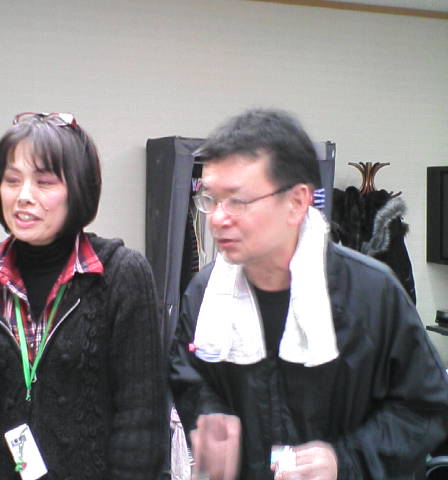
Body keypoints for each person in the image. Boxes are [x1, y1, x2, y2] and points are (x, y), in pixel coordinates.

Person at [169, 108, 448, 480]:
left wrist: (345, 461)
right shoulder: (205, 293)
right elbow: (189, 375)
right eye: (211, 198)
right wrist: (209, 414)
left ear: (297, 202)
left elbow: (425, 407)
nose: (217, 218)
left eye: (237, 200)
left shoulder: (371, 292)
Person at [0, 112, 166, 480]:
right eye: (12, 180)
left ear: (78, 190)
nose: (23, 197)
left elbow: (141, 420)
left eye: (44, 182)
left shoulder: (120, 274)